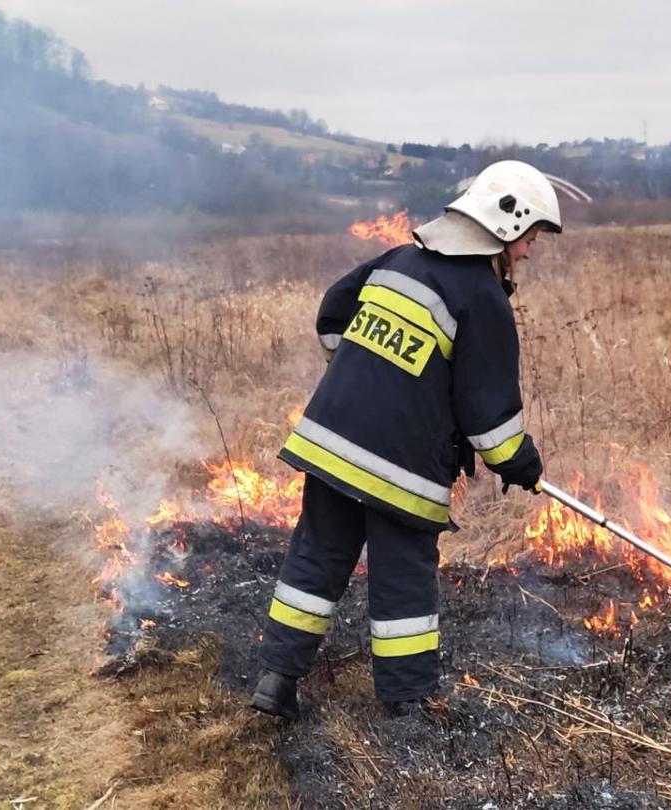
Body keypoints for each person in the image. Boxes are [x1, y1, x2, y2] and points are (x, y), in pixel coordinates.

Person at [250, 160, 558, 719]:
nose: (530, 252)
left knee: (316, 559)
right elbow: (490, 417)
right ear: (506, 226)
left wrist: (364, 373)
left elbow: (331, 313)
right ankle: (407, 705)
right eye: (530, 237)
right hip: (400, 467)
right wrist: (521, 466)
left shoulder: (401, 259)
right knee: (403, 583)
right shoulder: (483, 298)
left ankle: (276, 681)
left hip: (330, 443)